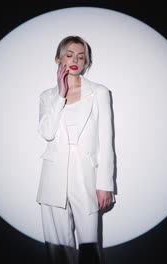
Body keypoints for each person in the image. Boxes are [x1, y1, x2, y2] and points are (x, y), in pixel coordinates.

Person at [36, 36, 115, 264]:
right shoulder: (47, 96)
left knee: (90, 247)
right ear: (58, 58)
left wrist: (104, 185)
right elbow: (47, 133)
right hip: (53, 178)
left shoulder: (99, 92)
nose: (75, 60)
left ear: (86, 62)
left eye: (81, 57)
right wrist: (60, 95)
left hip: (86, 177)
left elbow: (106, 141)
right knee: (58, 249)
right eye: (69, 55)